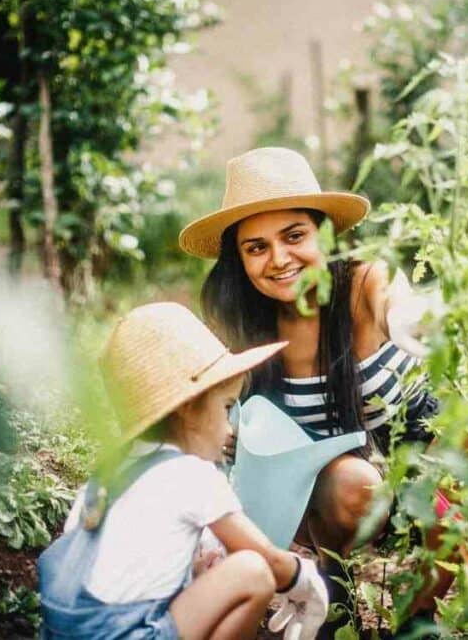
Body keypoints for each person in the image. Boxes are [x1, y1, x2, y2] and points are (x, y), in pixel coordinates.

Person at [178, 147, 448, 635]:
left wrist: (416, 319)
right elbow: (204, 426)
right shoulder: (241, 323)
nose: (279, 260)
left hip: (422, 472)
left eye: (294, 236)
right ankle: (329, 596)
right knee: (353, 482)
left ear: (324, 233)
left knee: (459, 453)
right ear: (239, 260)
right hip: (324, 500)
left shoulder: (364, 283)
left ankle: (418, 620)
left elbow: (399, 304)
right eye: (256, 247)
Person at [38, 302, 329, 640]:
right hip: (124, 634)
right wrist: (305, 579)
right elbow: (269, 560)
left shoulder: (108, 475)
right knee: (253, 573)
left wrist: (193, 571)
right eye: (225, 408)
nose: (229, 429)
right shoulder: (192, 475)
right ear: (190, 409)